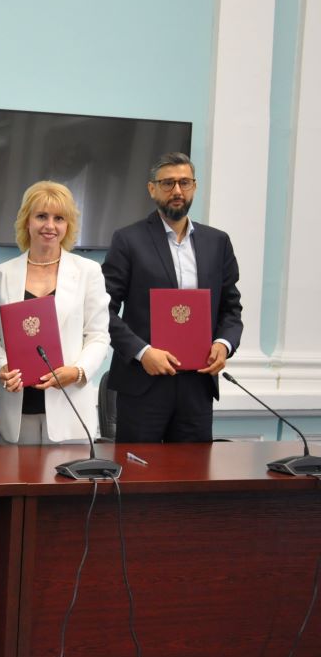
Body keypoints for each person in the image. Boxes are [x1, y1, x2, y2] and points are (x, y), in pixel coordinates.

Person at [102, 152, 243, 442]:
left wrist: (224, 344)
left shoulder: (217, 242)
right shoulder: (128, 240)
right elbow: (103, 310)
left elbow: (231, 308)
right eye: (168, 183)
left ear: (194, 187)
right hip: (143, 383)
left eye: (184, 182)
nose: (177, 190)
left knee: (194, 470)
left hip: (197, 387)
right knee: (137, 469)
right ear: (152, 189)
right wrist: (143, 352)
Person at [0, 181, 110, 444]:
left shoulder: (88, 272)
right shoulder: (0, 275)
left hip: (70, 409)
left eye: (59, 218)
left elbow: (98, 336)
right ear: (27, 221)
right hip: (16, 411)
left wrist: (77, 371)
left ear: (68, 225)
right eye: (41, 216)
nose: (50, 225)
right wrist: (2, 366)